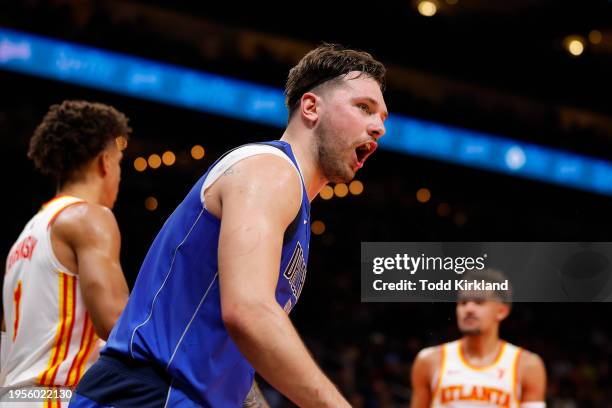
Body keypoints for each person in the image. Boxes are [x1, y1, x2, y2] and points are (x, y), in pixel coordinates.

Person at [70, 43, 388, 407]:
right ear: (311, 107)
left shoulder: (291, 197)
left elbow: (232, 349)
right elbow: (248, 312)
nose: (377, 127)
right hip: (150, 393)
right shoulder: (271, 170)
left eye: (382, 117)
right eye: (363, 108)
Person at [0, 100, 131, 399]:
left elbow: (6, 338)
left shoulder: (26, 237)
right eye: (120, 161)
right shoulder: (90, 217)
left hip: (14, 398)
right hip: (57, 397)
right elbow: (117, 323)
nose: (119, 175)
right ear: (105, 162)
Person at [410, 269, 547, 408]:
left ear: (502, 311)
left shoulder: (527, 365)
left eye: (479, 302)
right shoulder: (428, 360)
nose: (469, 308)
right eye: (463, 302)